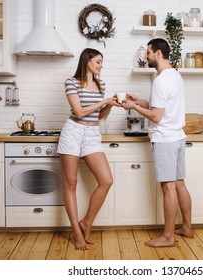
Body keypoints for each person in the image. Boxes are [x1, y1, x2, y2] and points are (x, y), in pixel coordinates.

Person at [122, 38, 193, 247]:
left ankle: (168, 237)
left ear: (158, 54)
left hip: (165, 140)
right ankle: (187, 227)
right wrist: (137, 101)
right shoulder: (174, 76)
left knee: (168, 188)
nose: (146, 56)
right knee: (179, 184)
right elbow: (159, 107)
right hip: (177, 137)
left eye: (148, 52)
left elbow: (155, 117)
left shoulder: (162, 80)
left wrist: (133, 108)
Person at [57, 48, 120, 250]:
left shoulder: (101, 85)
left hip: (92, 135)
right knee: (71, 183)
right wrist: (103, 101)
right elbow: (79, 111)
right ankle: (76, 232)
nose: (101, 65)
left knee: (106, 180)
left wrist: (110, 104)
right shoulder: (72, 83)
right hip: (73, 132)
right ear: (88, 61)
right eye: (98, 61)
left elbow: (97, 117)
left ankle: (86, 222)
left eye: (102, 62)